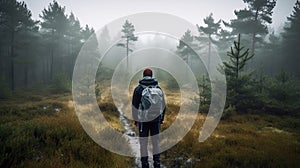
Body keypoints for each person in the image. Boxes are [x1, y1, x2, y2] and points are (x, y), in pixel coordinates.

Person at [132, 68, 166, 168]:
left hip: (143, 120)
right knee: (156, 143)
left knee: (143, 143)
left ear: (143, 76)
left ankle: (145, 165)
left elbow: (134, 105)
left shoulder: (138, 89)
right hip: (156, 120)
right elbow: (163, 105)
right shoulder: (158, 88)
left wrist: (136, 119)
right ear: (152, 75)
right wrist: (161, 119)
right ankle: (157, 164)